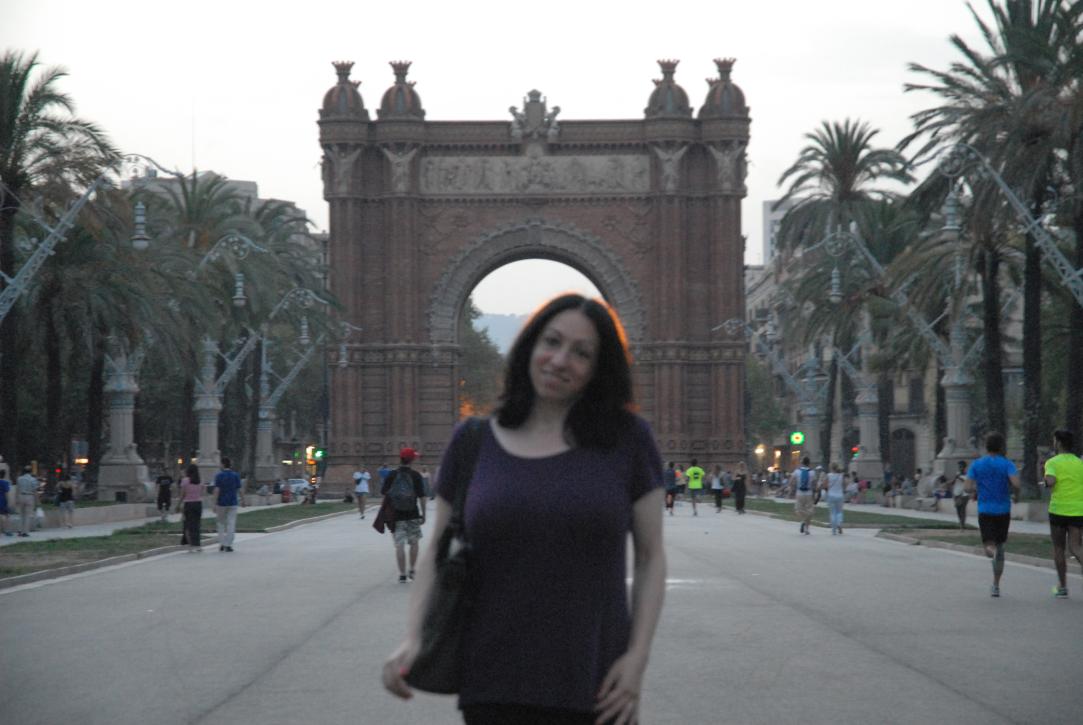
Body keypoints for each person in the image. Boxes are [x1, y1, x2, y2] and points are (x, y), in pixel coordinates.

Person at [382, 293, 666, 724]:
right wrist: (415, 637)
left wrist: (637, 658)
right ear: (530, 345)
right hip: (493, 681)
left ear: (599, 368)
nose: (560, 360)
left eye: (582, 353)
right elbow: (437, 550)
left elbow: (650, 557)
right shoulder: (473, 441)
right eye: (552, 341)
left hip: (597, 682)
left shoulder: (628, 440)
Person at [966, 432, 1021, 598]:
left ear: (986, 446)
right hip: (1003, 510)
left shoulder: (977, 464)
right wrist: (1016, 495)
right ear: (1002, 447)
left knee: (989, 546)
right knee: (1000, 546)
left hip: (985, 509)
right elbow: (1016, 483)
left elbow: (967, 487)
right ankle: (996, 585)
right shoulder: (1007, 464)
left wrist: (976, 490)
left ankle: (992, 551)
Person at [1043, 429, 1083, 599]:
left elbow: (1051, 481)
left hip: (1058, 510)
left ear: (1058, 443)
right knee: (1076, 547)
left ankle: (1063, 587)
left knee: (1059, 548)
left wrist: (1045, 481)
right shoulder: (1080, 463)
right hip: (1078, 510)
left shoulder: (1052, 462)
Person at [381, 448, 426, 583]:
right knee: (414, 542)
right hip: (413, 513)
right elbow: (422, 496)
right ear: (412, 460)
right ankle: (412, 570)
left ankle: (402, 574)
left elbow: (384, 493)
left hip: (396, 515)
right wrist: (424, 514)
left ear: (400, 459)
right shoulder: (416, 475)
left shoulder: (392, 475)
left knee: (399, 544)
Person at [210, 456, 244, 552]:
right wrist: (243, 500)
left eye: (220, 463)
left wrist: (214, 503)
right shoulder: (235, 475)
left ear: (223, 464)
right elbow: (239, 489)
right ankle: (228, 544)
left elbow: (217, 490)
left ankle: (222, 543)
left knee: (221, 523)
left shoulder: (219, 476)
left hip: (221, 503)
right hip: (233, 502)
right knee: (231, 523)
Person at [177, 464, 204, 553]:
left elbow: (182, 494)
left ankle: (191, 545)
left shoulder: (185, 481)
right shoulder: (200, 481)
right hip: (198, 503)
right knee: (196, 525)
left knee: (188, 525)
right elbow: (202, 493)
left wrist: (178, 505)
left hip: (188, 504)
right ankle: (198, 545)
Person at [791, 457, 816, 534]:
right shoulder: (812, 472)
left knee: (798, 509)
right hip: (809, 493)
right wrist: (814, 493)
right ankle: (807, 529)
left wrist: (793, 488)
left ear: (802, 463)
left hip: (799, 493)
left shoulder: (797, 471)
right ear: (809, 463)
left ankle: (803, 521)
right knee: (809, 510)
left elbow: (791, 481)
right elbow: (814, 484)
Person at [15, 465, 39, 537]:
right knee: (27, 515)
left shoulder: (19, 479)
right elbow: (35, 491)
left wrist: (16, 499)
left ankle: (20, 530)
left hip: (21, 496)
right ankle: (25, 532)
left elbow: (17, 489)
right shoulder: (33, 479)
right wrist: (37, 501)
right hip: (30, 496)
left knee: (21, 515)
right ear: (30, 472)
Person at [824, 463, 846, 535]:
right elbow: (844, 485)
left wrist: (827, 490)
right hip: (840, 495)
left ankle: (833, 530)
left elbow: (825, 485)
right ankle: (839, 523)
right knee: (839, 512)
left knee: (832, 512)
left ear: (831, 468)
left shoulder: (828, 475)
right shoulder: (841, 475)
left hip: (831, 495)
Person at [951, 460, 969, 529]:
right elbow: (952, 483)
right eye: (959, 467)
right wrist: (955, 478)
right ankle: (961, 523)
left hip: (964, 495)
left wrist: (959, 477)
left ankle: (962, 525)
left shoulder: (967, 474)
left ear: (964, 467)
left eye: (961, 467)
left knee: (962, 509)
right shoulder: (957, 474)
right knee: (958, 510)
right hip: (956, 494)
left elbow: (966, 482)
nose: (960, 468)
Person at [0, 467, 12, 536]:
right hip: (3, 501)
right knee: (6, 516)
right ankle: (7, 531)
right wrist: (9, 502)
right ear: (4, 475)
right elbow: (7, 493)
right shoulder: (5, 483)